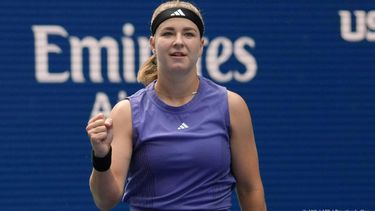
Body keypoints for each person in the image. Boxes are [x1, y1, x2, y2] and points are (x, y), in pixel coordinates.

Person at [86, 1, 267, 210]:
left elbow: (250, 189)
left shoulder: (232, 105)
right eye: (168, 33)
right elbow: (105, 201)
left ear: (201, 45)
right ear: (153, 43)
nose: (178, 42)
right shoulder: (126, 112)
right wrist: (101, 157)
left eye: (188, 34)